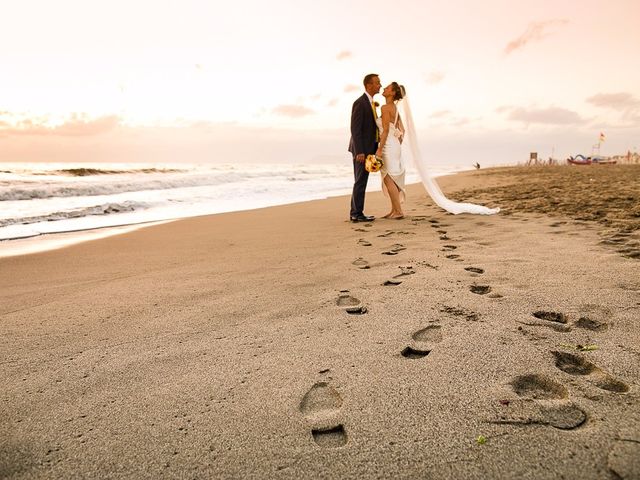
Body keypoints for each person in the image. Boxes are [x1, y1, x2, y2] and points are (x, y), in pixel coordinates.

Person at [348, 73, 381, 222]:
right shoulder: (360, 103)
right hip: (361, 150)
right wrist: (360, 151)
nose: (380, 85)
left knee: (362, 180)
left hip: (369, 149)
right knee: (360, 180)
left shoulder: (372, 103)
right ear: (369, 85)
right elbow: (355, 129)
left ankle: (357, 211)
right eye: (377, 83)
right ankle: (356, 213)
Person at [375, 82, 406, 219]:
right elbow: (401, 130)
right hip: (394, 145)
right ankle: (394, 210)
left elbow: (386, 130)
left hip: (388, 145)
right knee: (391, 177)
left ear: (393, 93)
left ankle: (398, 211)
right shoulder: (396, 109)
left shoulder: (386, 107)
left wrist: (380, 150)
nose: (384, 88)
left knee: (388, 178)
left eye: (387, 88)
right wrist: (397, 143)